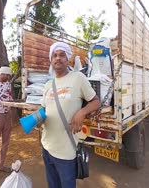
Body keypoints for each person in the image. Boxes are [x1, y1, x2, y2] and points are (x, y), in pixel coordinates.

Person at [41, 42, 100, 188]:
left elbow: (96, 101)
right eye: (55, 55)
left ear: (68, 59)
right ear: (51, 60)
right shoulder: (48, 85)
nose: (58, 58)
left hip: (66, 152)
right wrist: (37, 119)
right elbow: (44, 109)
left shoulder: (78, 78)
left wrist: (82, 112)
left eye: (62, 55)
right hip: (47, 147)